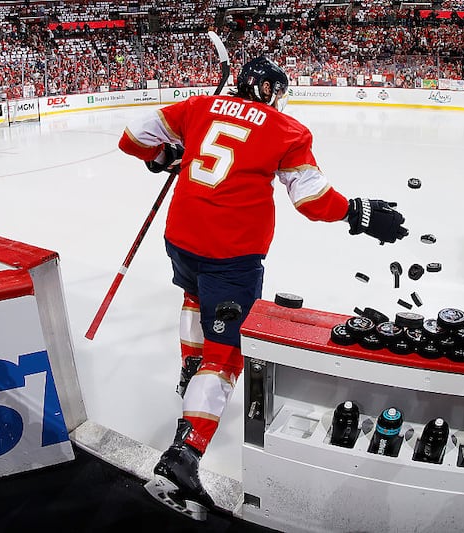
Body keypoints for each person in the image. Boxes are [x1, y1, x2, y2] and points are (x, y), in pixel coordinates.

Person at [117, 56, 408, 515]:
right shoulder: (285, 129)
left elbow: (132, 138)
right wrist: (358, 212)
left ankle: (189, 371)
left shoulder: (199, 106)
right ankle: (185, 454)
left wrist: (166, 157)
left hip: (181, 241)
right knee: (225, 356)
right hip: (229, 255)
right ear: (268, 90)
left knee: (193, 297)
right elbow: (311, 199)